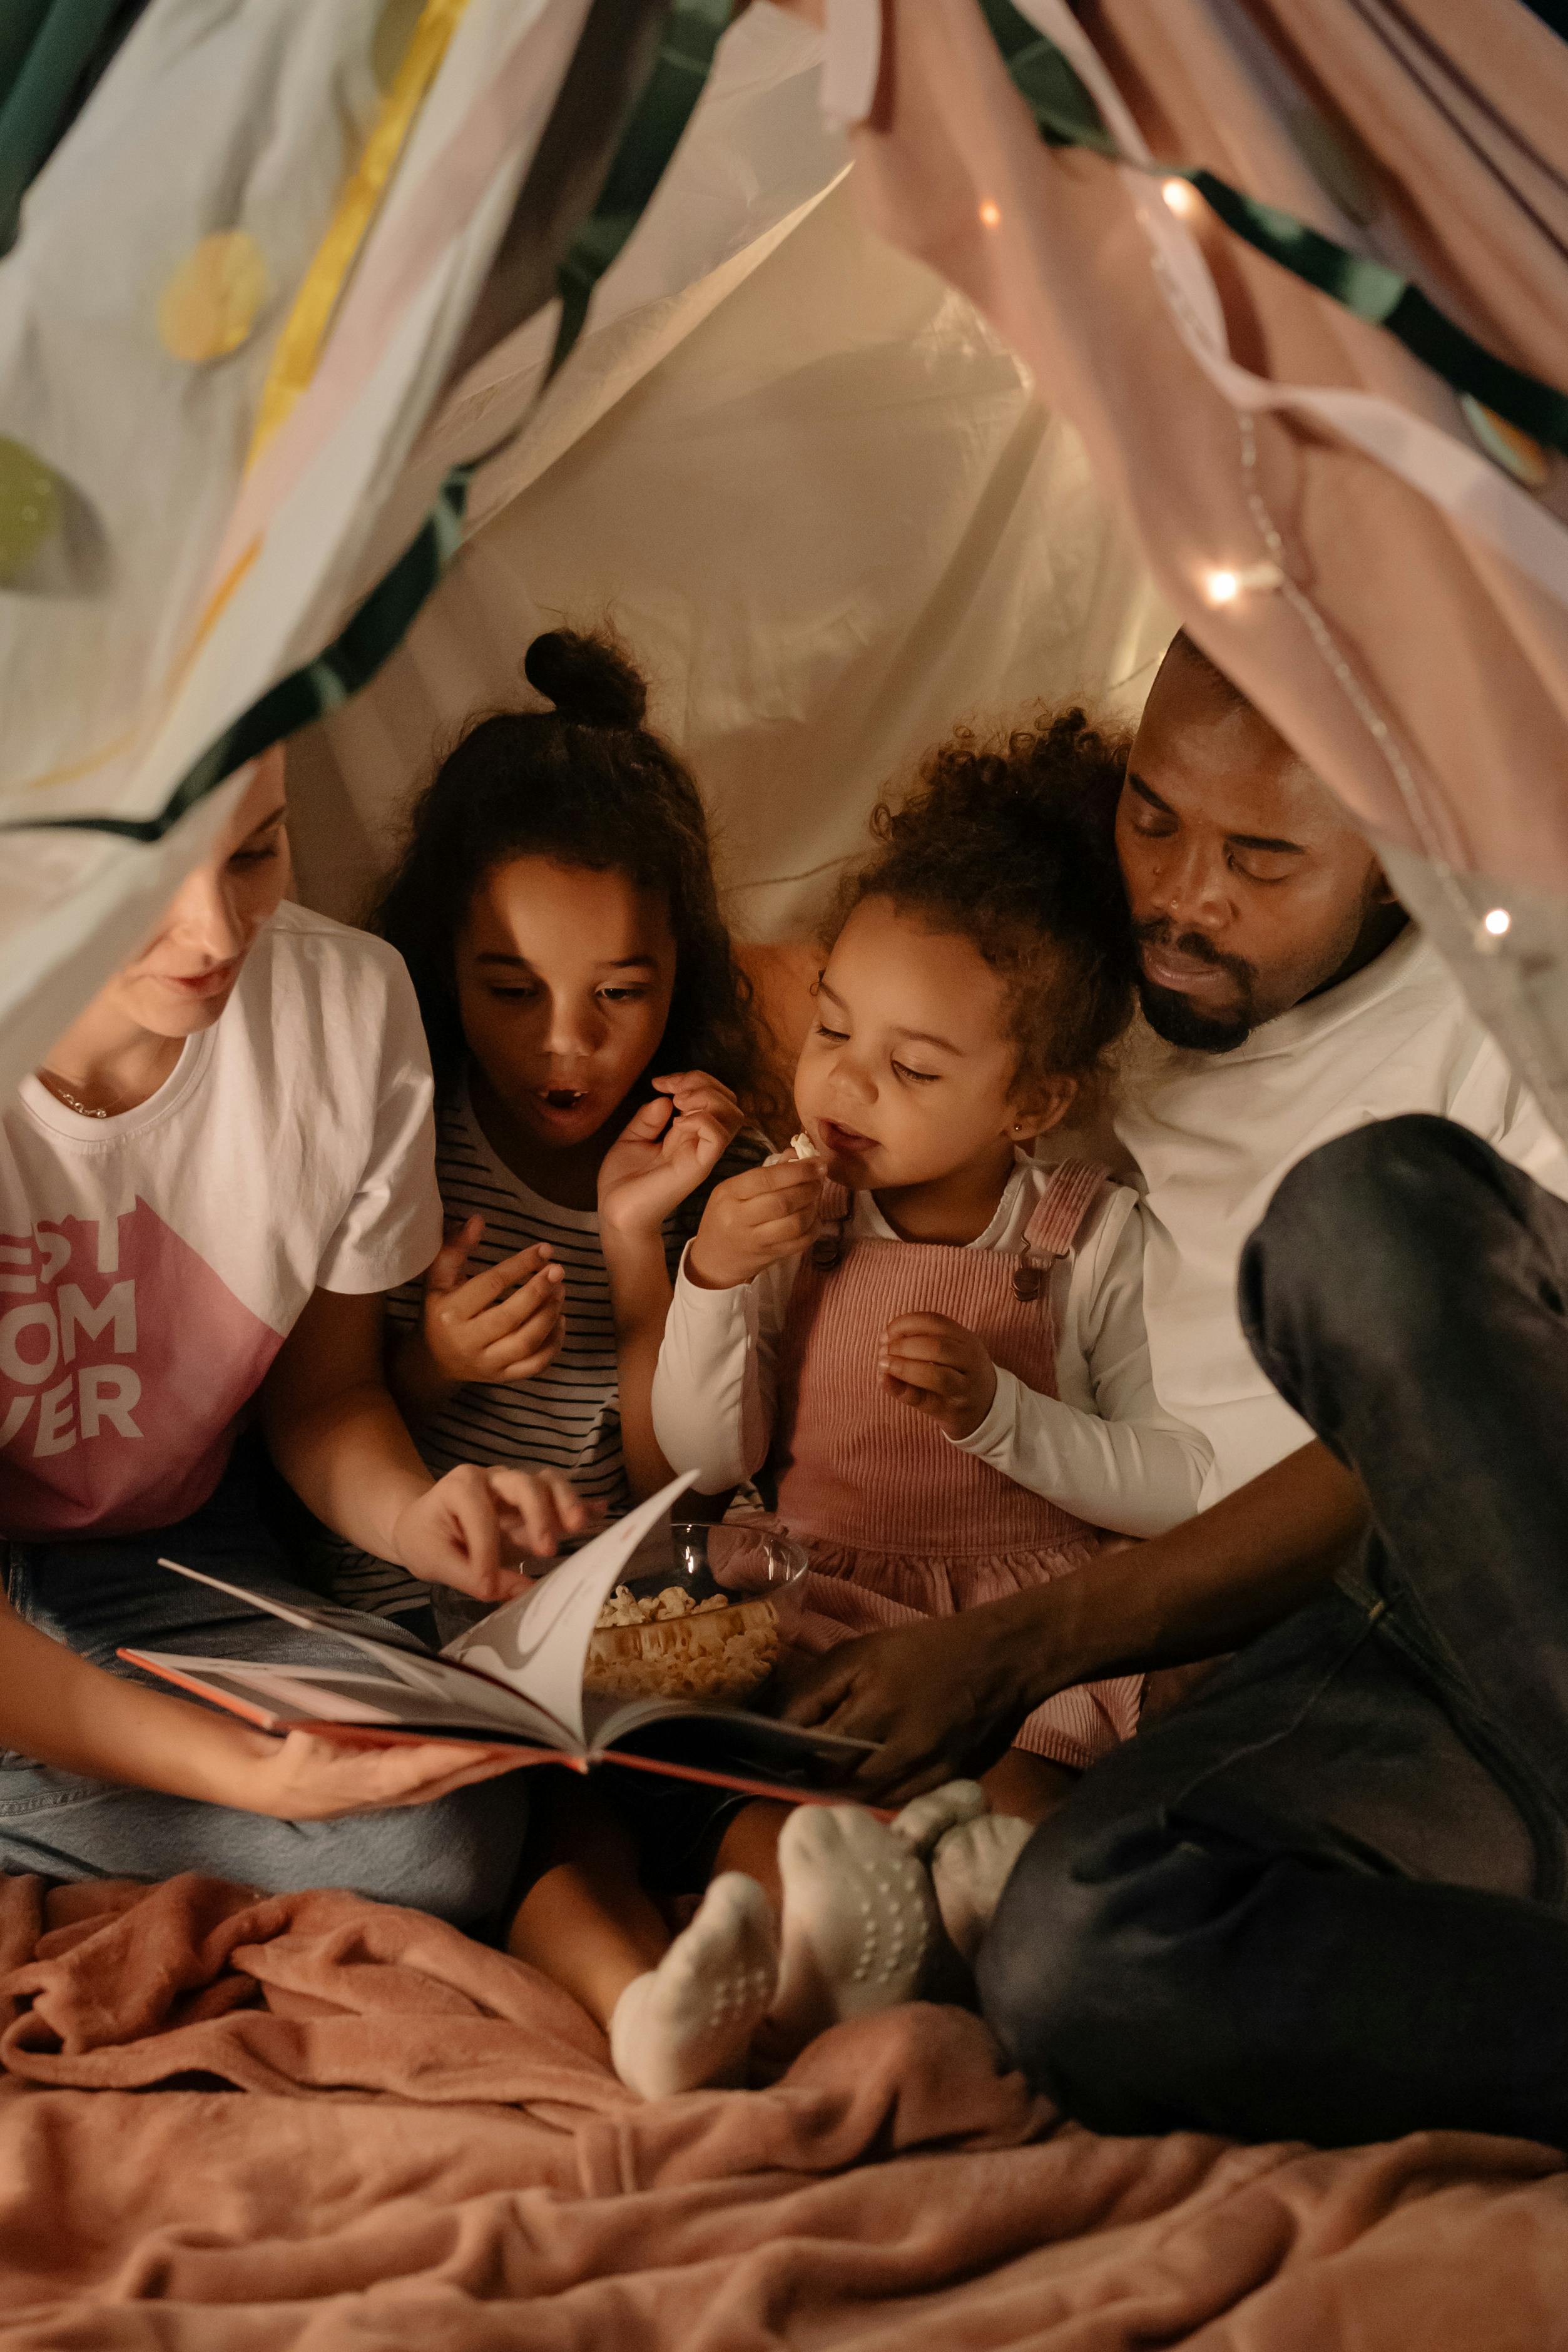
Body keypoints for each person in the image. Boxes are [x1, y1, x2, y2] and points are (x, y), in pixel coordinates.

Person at [503, 710, 1211, 2104]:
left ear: (1034, 1100)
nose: (841, 1083)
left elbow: (1173, 1477)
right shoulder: (793, 1209)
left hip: (1013, 1623)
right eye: (831, 1027)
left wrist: (1007, 1418)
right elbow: (708, 1457)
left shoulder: (1089, 1237)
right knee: (774, 1825)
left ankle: (956, 1914)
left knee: (1021, 1806)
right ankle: (761, 1970)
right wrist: (714, 1275)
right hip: (822, 1593)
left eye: (913, 1067)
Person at [777, 629, 1568, 1783]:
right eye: (1152, 820)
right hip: (1132, 1611)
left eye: (1260, 859)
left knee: (1352, 1216)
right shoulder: (1088, 977)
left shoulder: (1510, 1019)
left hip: (1399, 1619)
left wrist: (1032, 1642)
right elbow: (843, 1009)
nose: (1182, 901)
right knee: (1057, 1915)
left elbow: (1472, 1435)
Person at [0, 750, 589, 1920]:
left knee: (444, 1833)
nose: (214, 932)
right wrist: (249, 1776)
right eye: (146, 880)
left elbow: (324, 1401)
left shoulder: (346, 1007)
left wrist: (416, 1517)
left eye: (255, 853)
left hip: (164, 1551)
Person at [326, 629, 772, 1630]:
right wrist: (437, 1363)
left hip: (624, 1621)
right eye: (511, 990)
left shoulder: (715, 1173)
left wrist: (632, 1247)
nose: (565, 1042)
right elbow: (329, 1415)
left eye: (618, 990)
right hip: (407, 1605)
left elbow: (684, 1496)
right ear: (443, 964)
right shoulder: (407, 1134)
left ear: (681, 971)